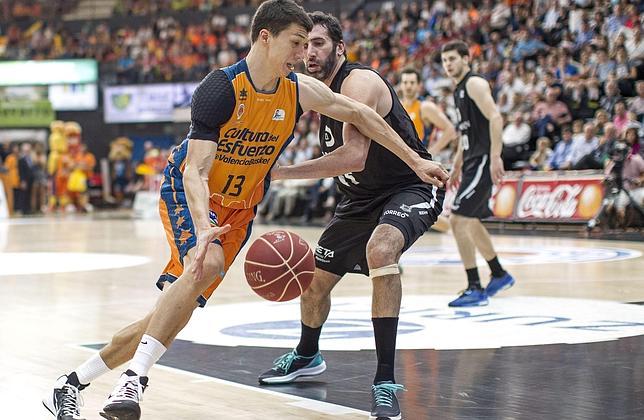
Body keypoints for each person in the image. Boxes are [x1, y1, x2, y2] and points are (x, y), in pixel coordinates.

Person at [42, 2, 448, 420]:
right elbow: (195, 172)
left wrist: (417, 161)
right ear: (265, 37)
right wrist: (203, 227)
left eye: (309, 44)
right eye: (296, 43)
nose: (302, 54)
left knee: (168, 312)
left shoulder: (298, 91)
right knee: (208, 263)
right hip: (194, 196)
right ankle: (134, 382)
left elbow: (362, 114)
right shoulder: (220, 89)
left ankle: (71, 382)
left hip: (242, 209)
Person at [257, 12, 447, 420]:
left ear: (339, 48)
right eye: (304, 44)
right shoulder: (312, 90)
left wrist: (280, 172)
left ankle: (384, 381)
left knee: (382, 250)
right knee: (310, 283)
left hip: (408, 186)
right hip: (357, 201)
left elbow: (354, 156)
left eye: (319, 43)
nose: (310, 52)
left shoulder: (357, 82)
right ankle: (308, 355)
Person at [440, 40, 515, 307]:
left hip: (484, 159)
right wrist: (458, 163)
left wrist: (495, 157)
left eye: (453, 59)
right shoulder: (458, 90)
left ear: (466, 59)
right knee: (470, 221)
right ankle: (499, 274)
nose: (448, 64)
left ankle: (475, 286)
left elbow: (496, 118)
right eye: (445, 60)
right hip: (472, 160)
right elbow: (465, 132)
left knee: (459, 220)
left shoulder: (474, 84)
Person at [398, 67, 457, 156]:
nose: (408, 86)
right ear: (401, 85)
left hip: (419, 160)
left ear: (419, 85)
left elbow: (450, 130)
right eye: (405, 82)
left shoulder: (425, 107)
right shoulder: (398, 107)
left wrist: (431, 152)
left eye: (412, 83)